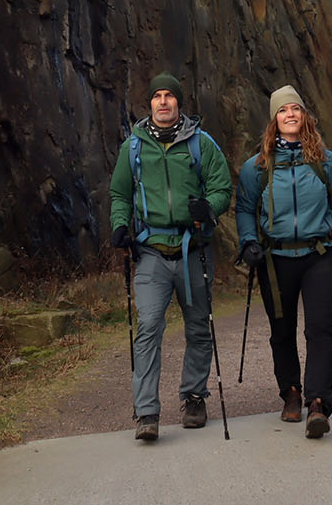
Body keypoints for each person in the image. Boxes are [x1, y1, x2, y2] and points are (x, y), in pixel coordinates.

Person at [235, 84, 332, 439]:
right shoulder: (257, 167)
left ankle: (317, 402)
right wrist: (249, 242)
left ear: (304, 115)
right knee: (281, 333)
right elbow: (243, 209)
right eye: (283, 111)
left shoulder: (324, 161)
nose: (290, 115)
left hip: (320, 255)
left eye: (295, 109)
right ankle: (291, 394)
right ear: (274, 119)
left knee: (320, 329)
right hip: (275, 260)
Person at [109, 72, 232, 441]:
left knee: (198, 327)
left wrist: (207, 207)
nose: (163, 102)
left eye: (170, 96)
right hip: (149, 252)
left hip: (193, 249)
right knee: (148, 328)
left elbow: (222, 187)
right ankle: (146, 412)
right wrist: (120, 225)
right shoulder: (132, 147)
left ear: (179, 102)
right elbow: (119, 194)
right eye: (157, 96)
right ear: (149, 103)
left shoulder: (201, 144)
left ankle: (194, 397)